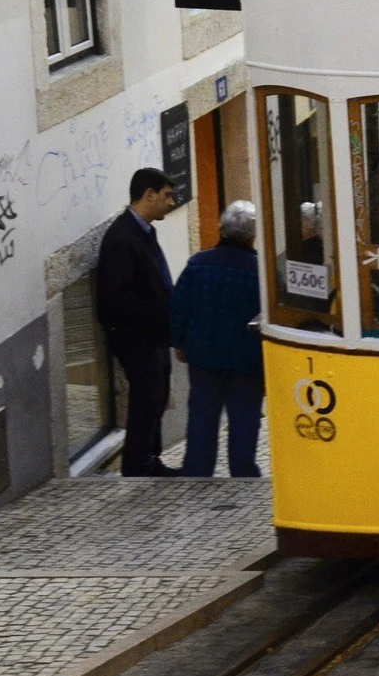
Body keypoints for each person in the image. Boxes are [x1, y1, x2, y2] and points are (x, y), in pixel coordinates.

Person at [96, 168, 180, 477]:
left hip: (153, 333)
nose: (171, 203)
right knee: (146, 396)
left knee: (156, 395)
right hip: (136, 337)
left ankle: (150, 459)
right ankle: (138, 464)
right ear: (149, 195)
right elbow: (115, 300)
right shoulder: (122, 239)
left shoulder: (144, 231)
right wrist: (157, 313)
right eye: (167, 196)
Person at [172, 201, 265, 478]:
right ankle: (243, 471)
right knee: (244, 419)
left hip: (203, 355)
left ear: (221, 229)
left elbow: (179, 306)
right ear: (252, 235)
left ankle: (198, 471)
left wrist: (179, 342)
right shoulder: (260, 272)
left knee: (202, 416)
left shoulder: (198, 264)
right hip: (246, 359)